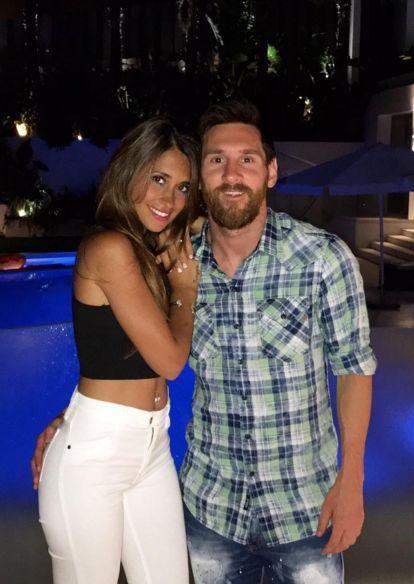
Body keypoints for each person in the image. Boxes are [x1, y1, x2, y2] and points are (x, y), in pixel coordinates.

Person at [33, 100, 376, 584]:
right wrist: (74, 418)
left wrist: (352, 478)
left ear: (271, 171)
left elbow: (354, 368)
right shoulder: (177, 261)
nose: (232, 174)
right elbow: (124, 345)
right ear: (204, 178)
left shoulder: (321, 258)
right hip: (213, 510)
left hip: (302, 509)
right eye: (217, 160)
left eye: (247, 159)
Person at [34, 117, 199, 584]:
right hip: (94, 456)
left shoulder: (151, 248)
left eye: (182, 188)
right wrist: (184, 291)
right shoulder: (109, 247)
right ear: (129, 172)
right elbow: (170, 362)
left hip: (152, 447)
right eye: (158, 179)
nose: (169, 200)